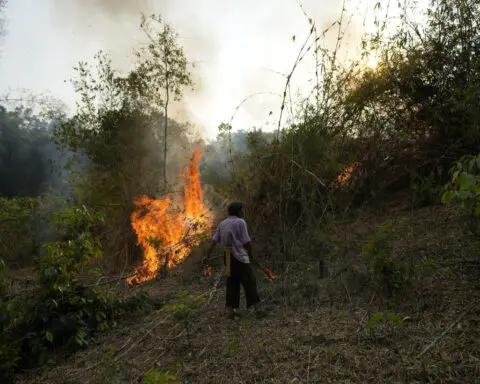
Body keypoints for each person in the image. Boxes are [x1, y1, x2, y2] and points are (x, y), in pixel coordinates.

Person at [203, 202, 266, 319]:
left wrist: (207, 256)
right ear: (238, 211)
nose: (243, 212)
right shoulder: (240, 222)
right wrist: (250, 255)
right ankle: (258, 309)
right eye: (241, 210)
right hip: (240, 257)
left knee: (231, 283)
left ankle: (230, 311)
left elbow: (213, 242)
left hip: (227, 257)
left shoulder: (222, 223)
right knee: (249, 282)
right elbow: (246, 242)